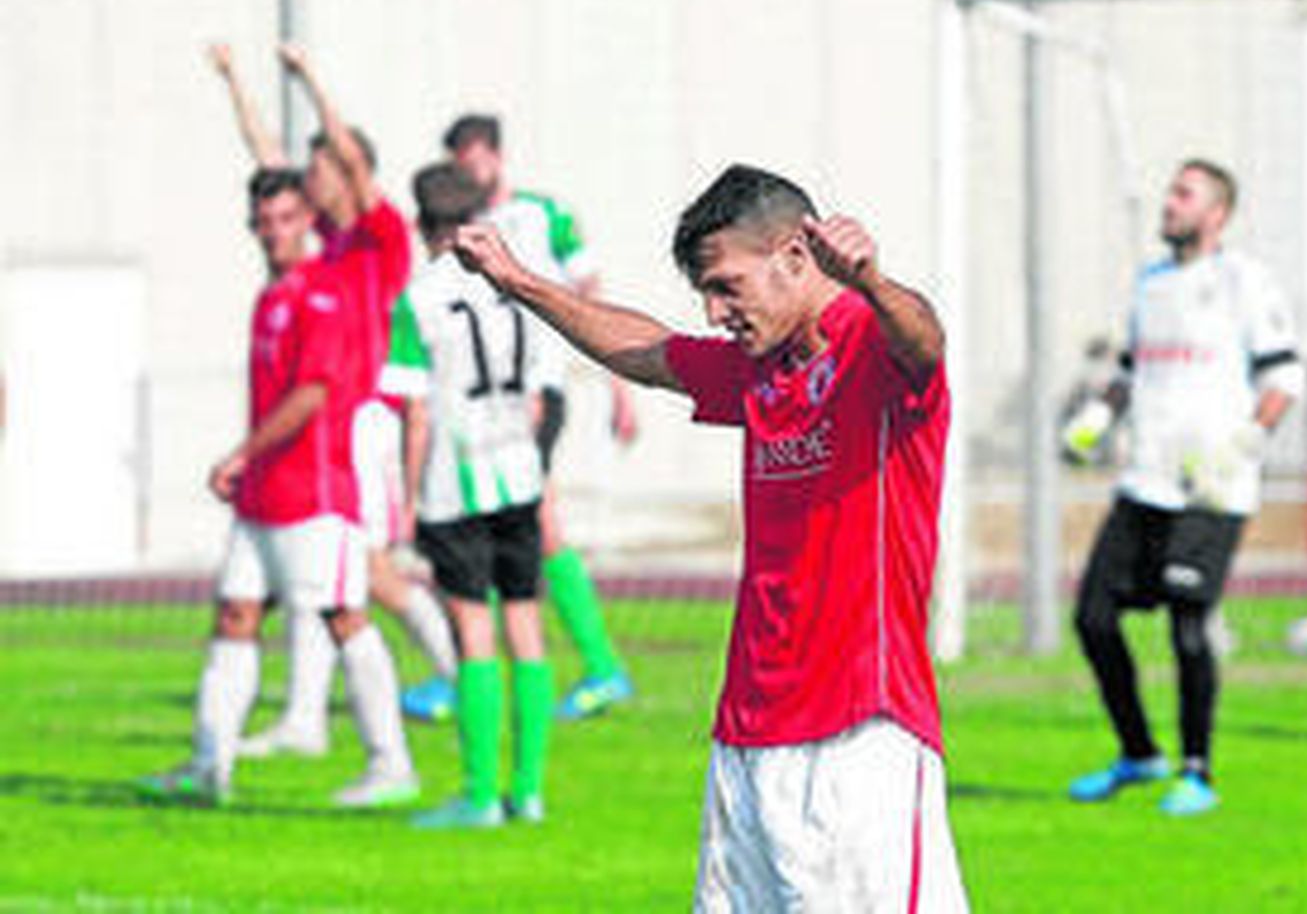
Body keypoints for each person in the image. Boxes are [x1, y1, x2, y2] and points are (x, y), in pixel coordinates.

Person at [452, 165, 968, 910]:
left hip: (860, 733)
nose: (714, 308)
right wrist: (518, 281)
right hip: (747, 732)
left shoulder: (874, 348)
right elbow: (650, 352)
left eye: (727, 285)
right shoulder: (760, 369)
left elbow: (926, 344)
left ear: (797, 256)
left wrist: (875, 281)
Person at [135, 167, 418, 808]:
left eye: (287, 218)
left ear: (306, 221)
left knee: (344, 617)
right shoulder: (273, 296)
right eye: (264, 222)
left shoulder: (326, 293)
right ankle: (211, 766)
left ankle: (391, 764)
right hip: (261, 499)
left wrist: (240, 452)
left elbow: (313, 393)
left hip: (316, 497)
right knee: (235, 617)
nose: (274, 232)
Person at [204, 44, 459, 749]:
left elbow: (346, 154)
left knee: (362, 580)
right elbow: (268, 156)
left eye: (321, 167)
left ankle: (454, 675)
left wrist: (313, 79)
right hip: (332, 427)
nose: (310, 178)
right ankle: (303, 718)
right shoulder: (317, 243)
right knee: (327, 583)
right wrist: (236, 81)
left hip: (362, 424)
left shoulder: (377, 238)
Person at [1061, 160, 1302, 817]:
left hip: (1211, 490)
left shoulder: (1243, 282)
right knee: (1092, 619)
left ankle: (1198, 772)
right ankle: (1139, 754)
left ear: (1217, 214)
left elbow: (1285, 378)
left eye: (1183, 194)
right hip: (1146, 482)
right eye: (1170, 191)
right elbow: (1132, 371)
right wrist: (1098, 416)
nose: (1169, 203)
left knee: (1189, 626)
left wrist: (1244, 445)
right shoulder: (1151, 283)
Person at [443, 113, 636, 721]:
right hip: (487, 399)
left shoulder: (543, 215)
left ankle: (580, 668)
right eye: (458, 164)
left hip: (536, 393)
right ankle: (586, 668)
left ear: (496, 157)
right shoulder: (461, 226)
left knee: (513, 521)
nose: (468, 172)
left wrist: (620, 386)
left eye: (474, 160)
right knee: (529, 522)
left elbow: (591, 295)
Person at [384, 162, 560, 828]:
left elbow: (417, 411)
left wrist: (406, 495)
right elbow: (540, 397)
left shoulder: (420, 296)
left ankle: (481, 795)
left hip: (454, 483)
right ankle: (530, 788)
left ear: (419, 223)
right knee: (527, 626)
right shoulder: (515, 284)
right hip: (518, 468)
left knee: (474, 632)